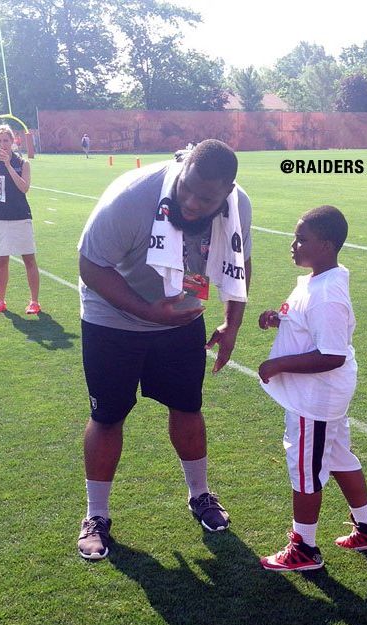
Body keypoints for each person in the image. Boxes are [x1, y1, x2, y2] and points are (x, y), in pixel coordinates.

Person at [75, 139, 252, 561]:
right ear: (183, 168)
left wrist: (232, 323)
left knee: (188, 408)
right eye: (187, 188)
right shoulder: (134, 196)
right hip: (112, 318)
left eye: (205, 197)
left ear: (226, 192)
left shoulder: (237, 205)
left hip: (181, 317)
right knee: (108, 414)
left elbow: (238, 262)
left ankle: (200, 495)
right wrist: (144, 311)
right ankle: (95, 515)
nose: (191, 203)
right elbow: (89, 263)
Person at [254, 206, 367, 572]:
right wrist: (278, 319)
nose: (293, 244)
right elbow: (306, 323)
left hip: (315, 399)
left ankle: (304, 549)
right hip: (319, 396)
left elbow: (331, 354)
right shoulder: (318, 280)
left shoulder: (328, 294)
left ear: (327, 245)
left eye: (302, 239)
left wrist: (277, 364)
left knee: (305, 470)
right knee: (338, 459)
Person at [0, 124, 41, 315]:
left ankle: (34, 301)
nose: (2, 144)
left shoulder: (22, 163)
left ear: (13, 141)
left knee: (29, 259)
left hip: (20, 215)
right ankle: (0, 300)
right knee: (1, 260)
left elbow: (24, 188)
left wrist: (8, 164)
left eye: (5, 140)